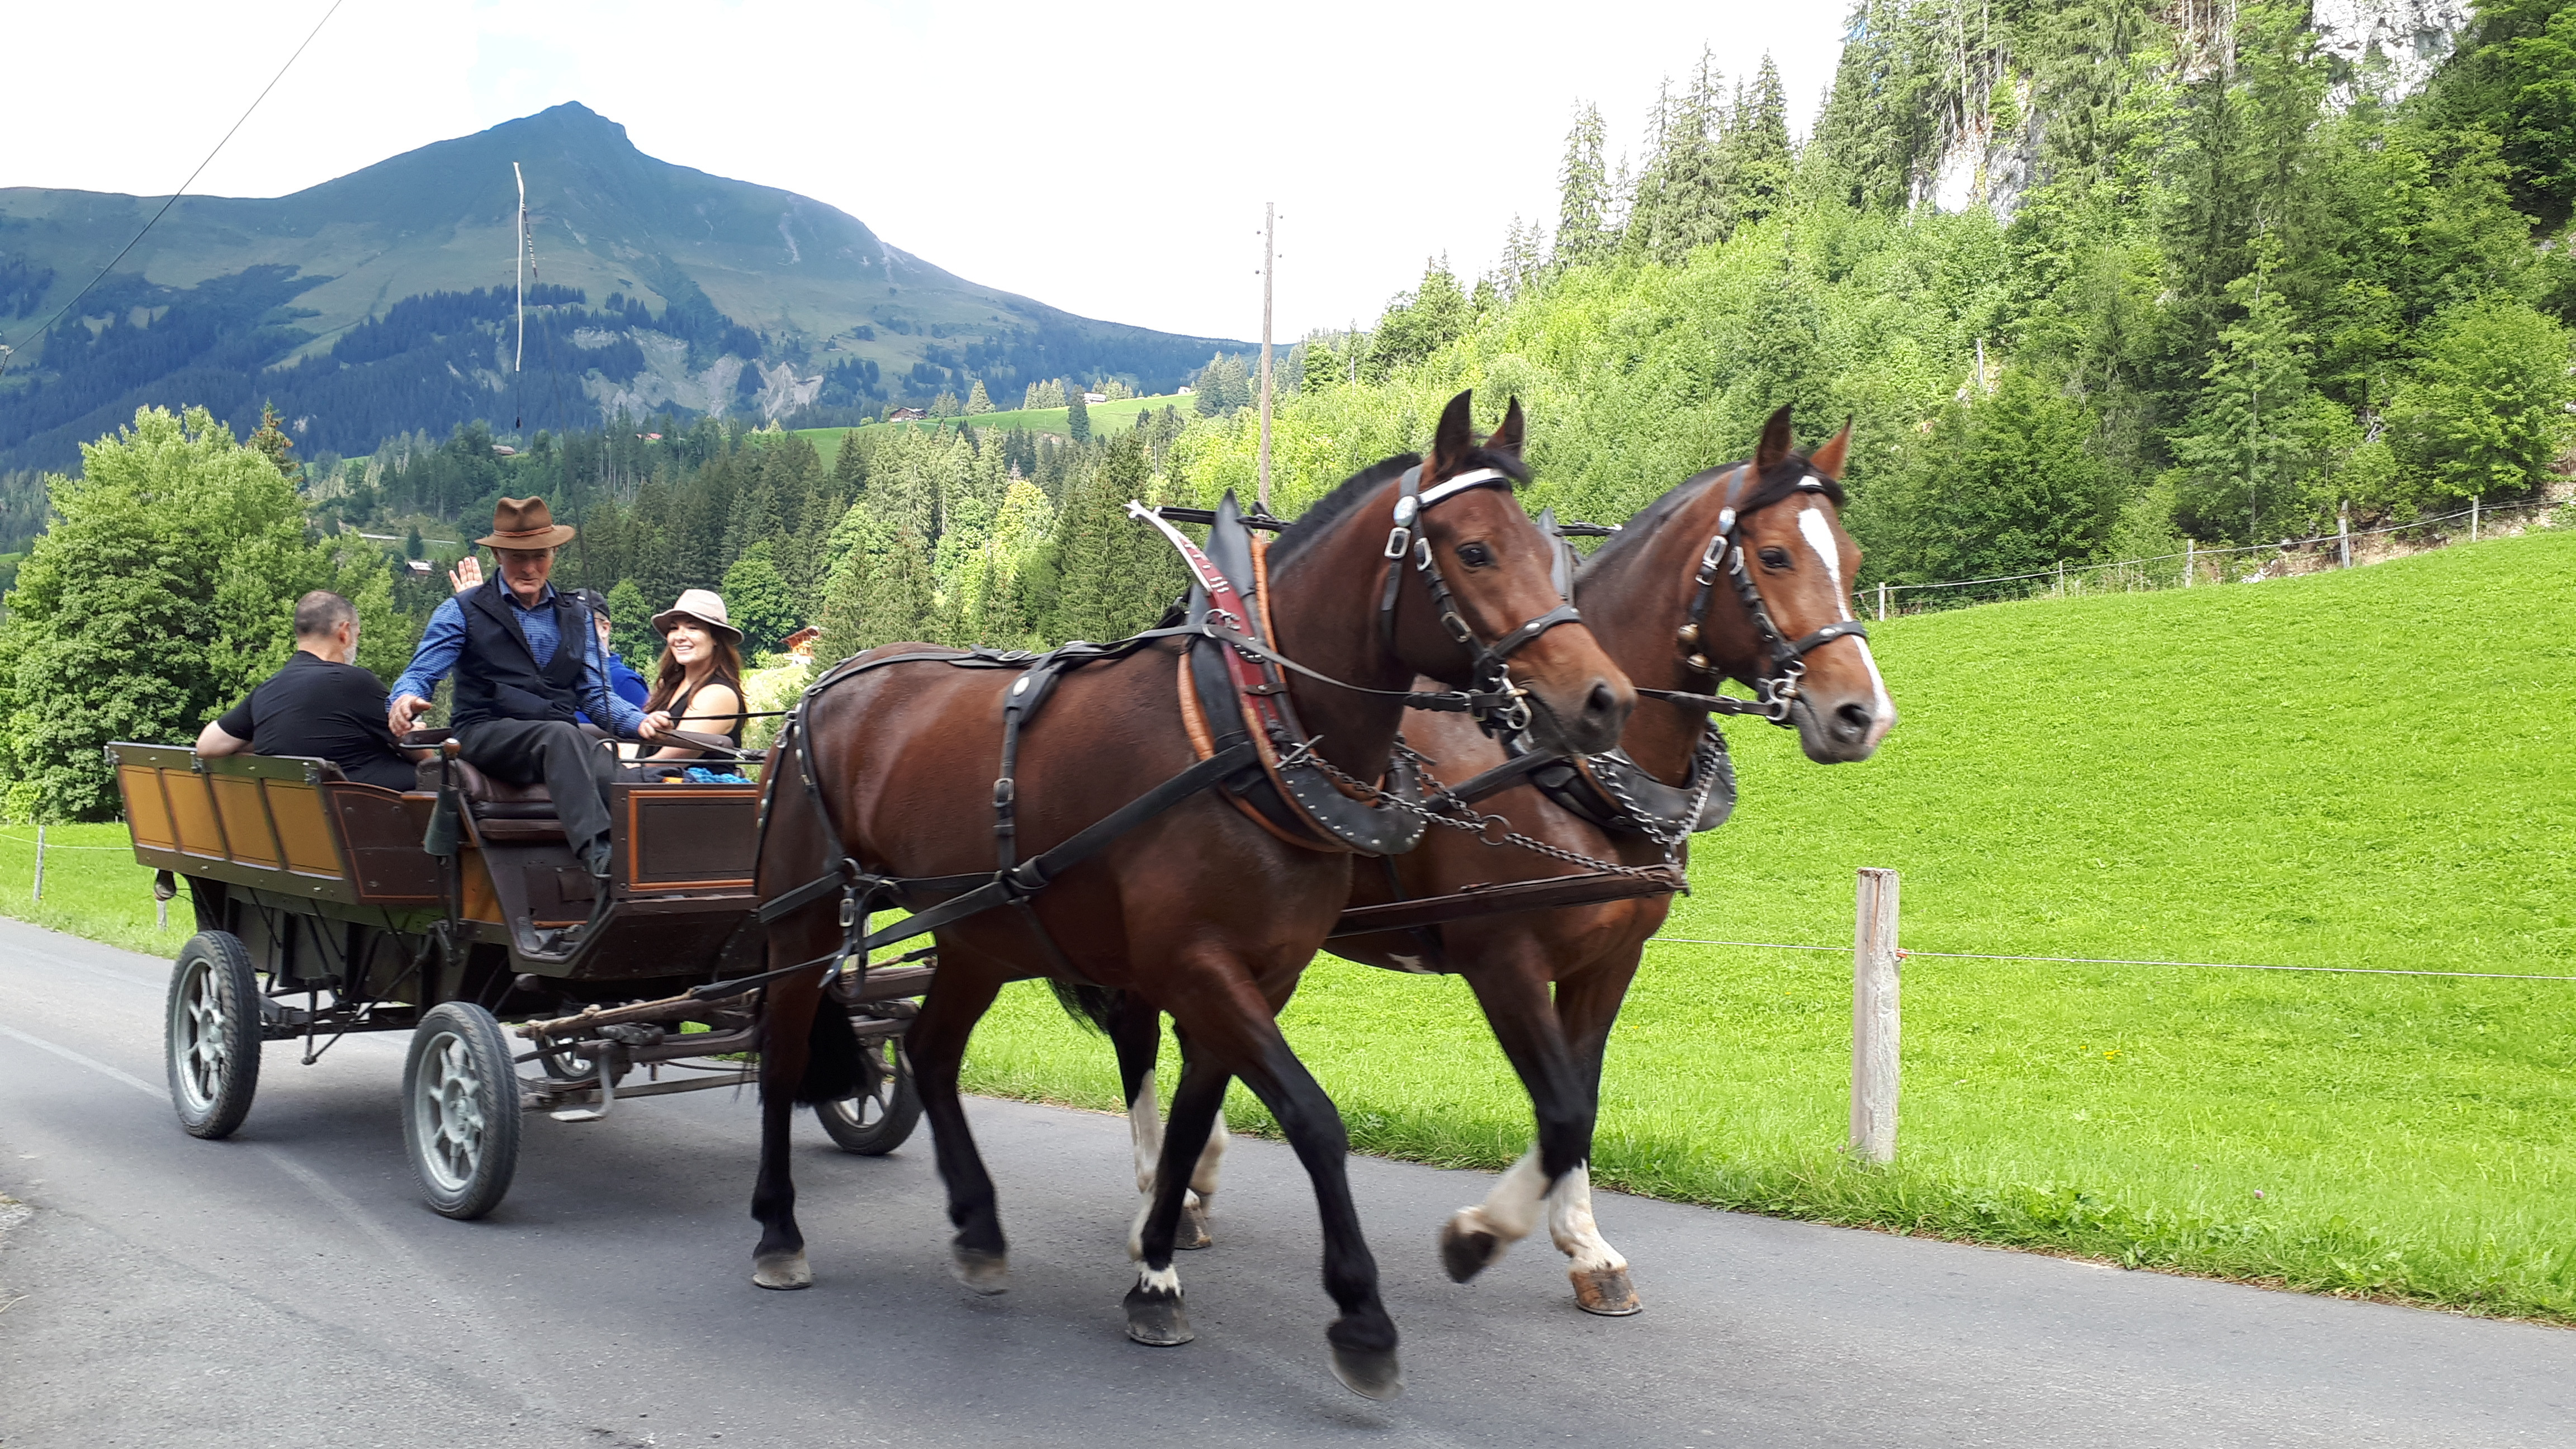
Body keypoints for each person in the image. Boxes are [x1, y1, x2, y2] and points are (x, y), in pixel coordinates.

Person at [387, 498, 669, 883]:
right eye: (518, 557)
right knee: (562, 735)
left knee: (615, 770)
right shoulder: (461, 611)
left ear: (553, 553)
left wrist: (640, 722)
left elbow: (595, 694)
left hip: (556, 738)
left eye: (539, 555)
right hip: (486, 732)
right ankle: (601, 855)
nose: (530, 567)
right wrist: (403, 700)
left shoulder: (577, 616)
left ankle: (660, 854)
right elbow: (420, 674)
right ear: (499, 554)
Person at [196, 591, 418, 791]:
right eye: (357, 636)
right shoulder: (356, 682)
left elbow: (207, 745)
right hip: (369, 817)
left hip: (299, 818)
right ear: (345, 633)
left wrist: (272, 730)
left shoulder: (268, 689)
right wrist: (413, 731)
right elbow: (422, 754)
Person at [636, 589, 746, 761]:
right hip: (655, 784)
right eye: (674, 628)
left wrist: (621, 773)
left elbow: (668, 761)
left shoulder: (718, 694)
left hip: (693, 787)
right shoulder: (670, 685)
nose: (679, 637)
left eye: (692, 628)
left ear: (716, 638)